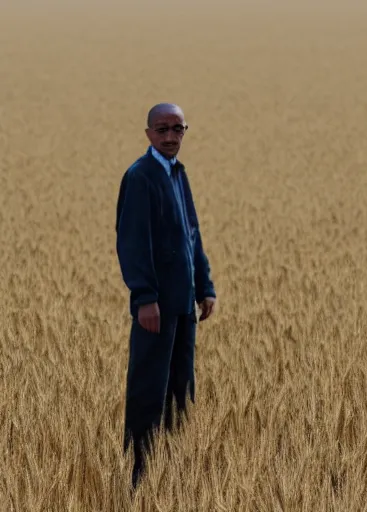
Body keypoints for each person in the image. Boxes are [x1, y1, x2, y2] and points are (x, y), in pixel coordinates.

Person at [115, 103, 217, 488]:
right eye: (162, 129)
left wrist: (204, 287)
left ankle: (172, 472)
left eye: (178, 129)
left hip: (183, 303)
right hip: (155, 306)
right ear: (148, 134)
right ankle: (138, 475)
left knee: (180, 388)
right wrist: (144, 297)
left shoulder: (178, 174)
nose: (171, 137)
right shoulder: (140, 177)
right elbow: (131, 241)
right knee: (148, 388)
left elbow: (192, 233)